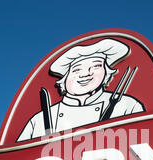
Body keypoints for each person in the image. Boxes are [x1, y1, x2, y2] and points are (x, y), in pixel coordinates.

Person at [17, 38, 145, 142]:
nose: (85, 74)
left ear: (106, 72)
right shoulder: (39, 119)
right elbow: (18, 158)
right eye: (77, 69)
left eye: (96, 66)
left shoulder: (127, 106)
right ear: (64, 79)